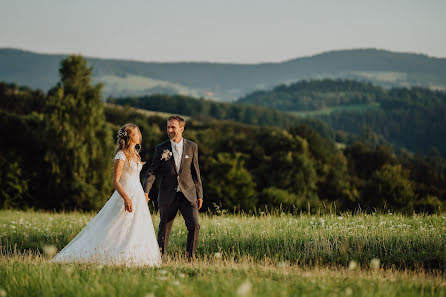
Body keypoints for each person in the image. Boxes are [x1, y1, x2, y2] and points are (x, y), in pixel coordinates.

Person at [52, 123, 161, 266]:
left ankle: (135, 257)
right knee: (114, 227)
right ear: (131, 136)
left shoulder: (136, 154)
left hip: (138, 194)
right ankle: (106, 254)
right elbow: (115, 181)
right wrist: (126, 198)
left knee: (136, 226)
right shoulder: (121, 155)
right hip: (125, 194)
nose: (140, 135)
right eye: (137, 133)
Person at [143, 115, 203, 261]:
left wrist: (199, 194)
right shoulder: (161, 148)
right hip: (167, 195)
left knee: (194, 225)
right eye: (168, 127)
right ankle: (160, 258)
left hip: (188, 194)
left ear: (181, 129)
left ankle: (190, 258)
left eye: (173, 127)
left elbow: (196, 172)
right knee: (164, 228)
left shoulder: (192, 147)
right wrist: (145, 191)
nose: (170, 130)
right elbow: (152, 171)